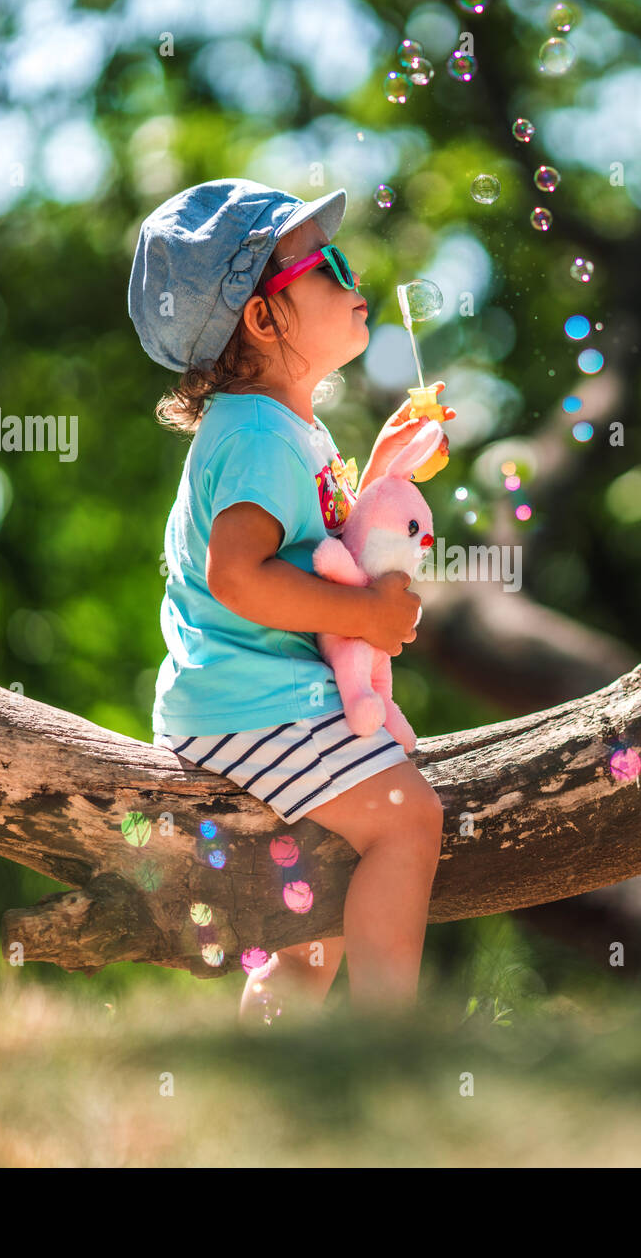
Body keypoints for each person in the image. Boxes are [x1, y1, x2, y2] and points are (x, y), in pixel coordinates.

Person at [128, 179, 453, 1024]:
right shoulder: (258, 436)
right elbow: (240, 577)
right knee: (407, 819)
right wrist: (368, 619)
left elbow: (324, 548)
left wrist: (379, 471)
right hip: (250, 705)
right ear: (263, 320)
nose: (357, 282)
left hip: (254, 700)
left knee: (314, 917)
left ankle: (270, 1076)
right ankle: (391, 1046)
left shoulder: (273, 429)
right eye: (329, 265)